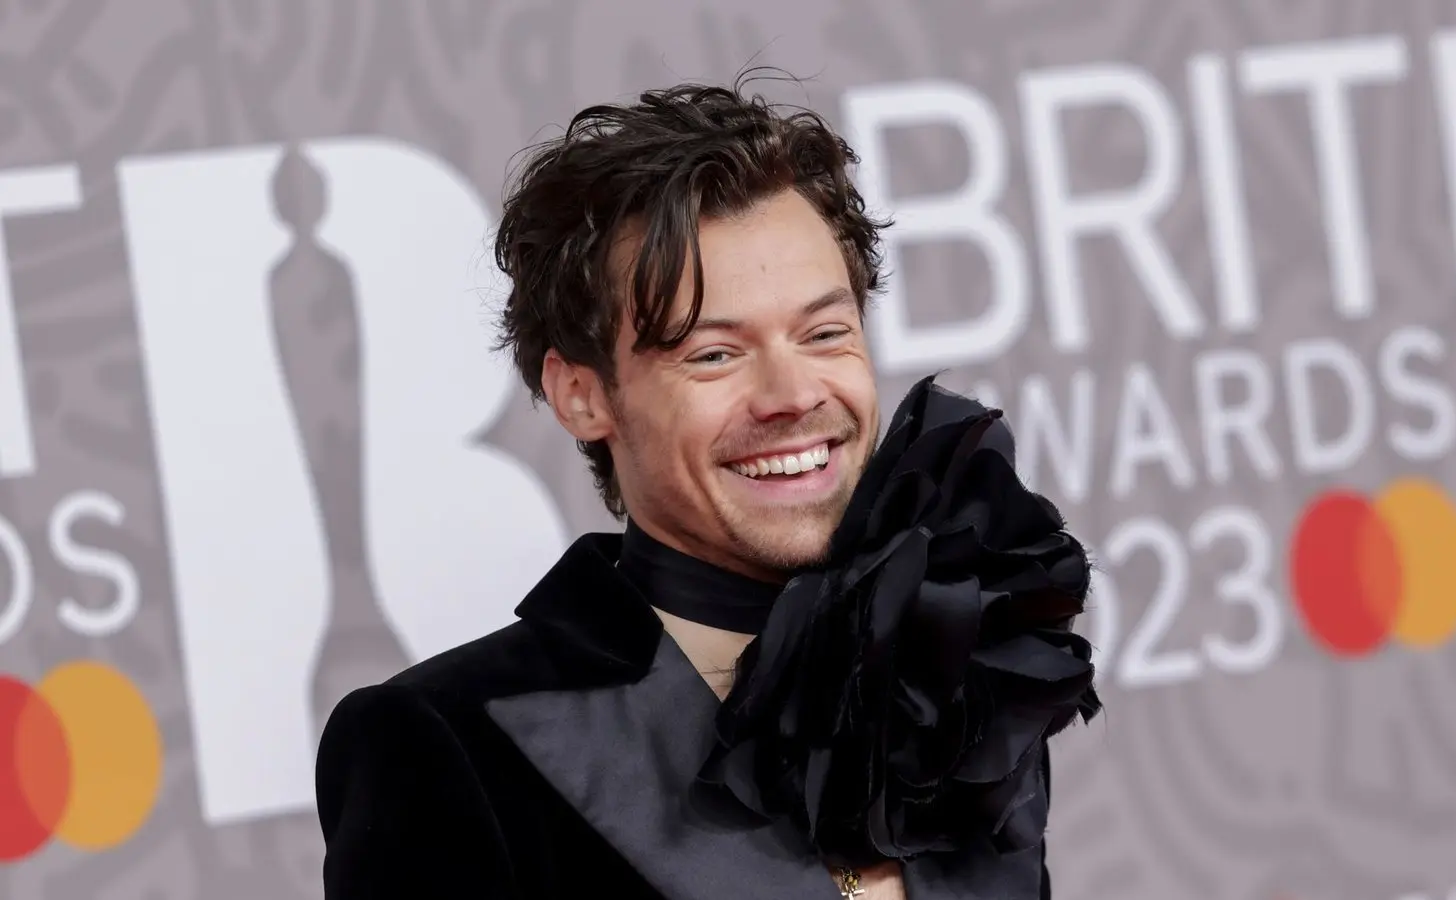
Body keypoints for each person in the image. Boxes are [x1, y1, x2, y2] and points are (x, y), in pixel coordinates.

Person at [315, 71, 1099, 900]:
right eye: (714, 354)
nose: (793, 395)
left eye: (824, 333)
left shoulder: (957, 677)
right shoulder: (445, 749)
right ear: (582, 395)